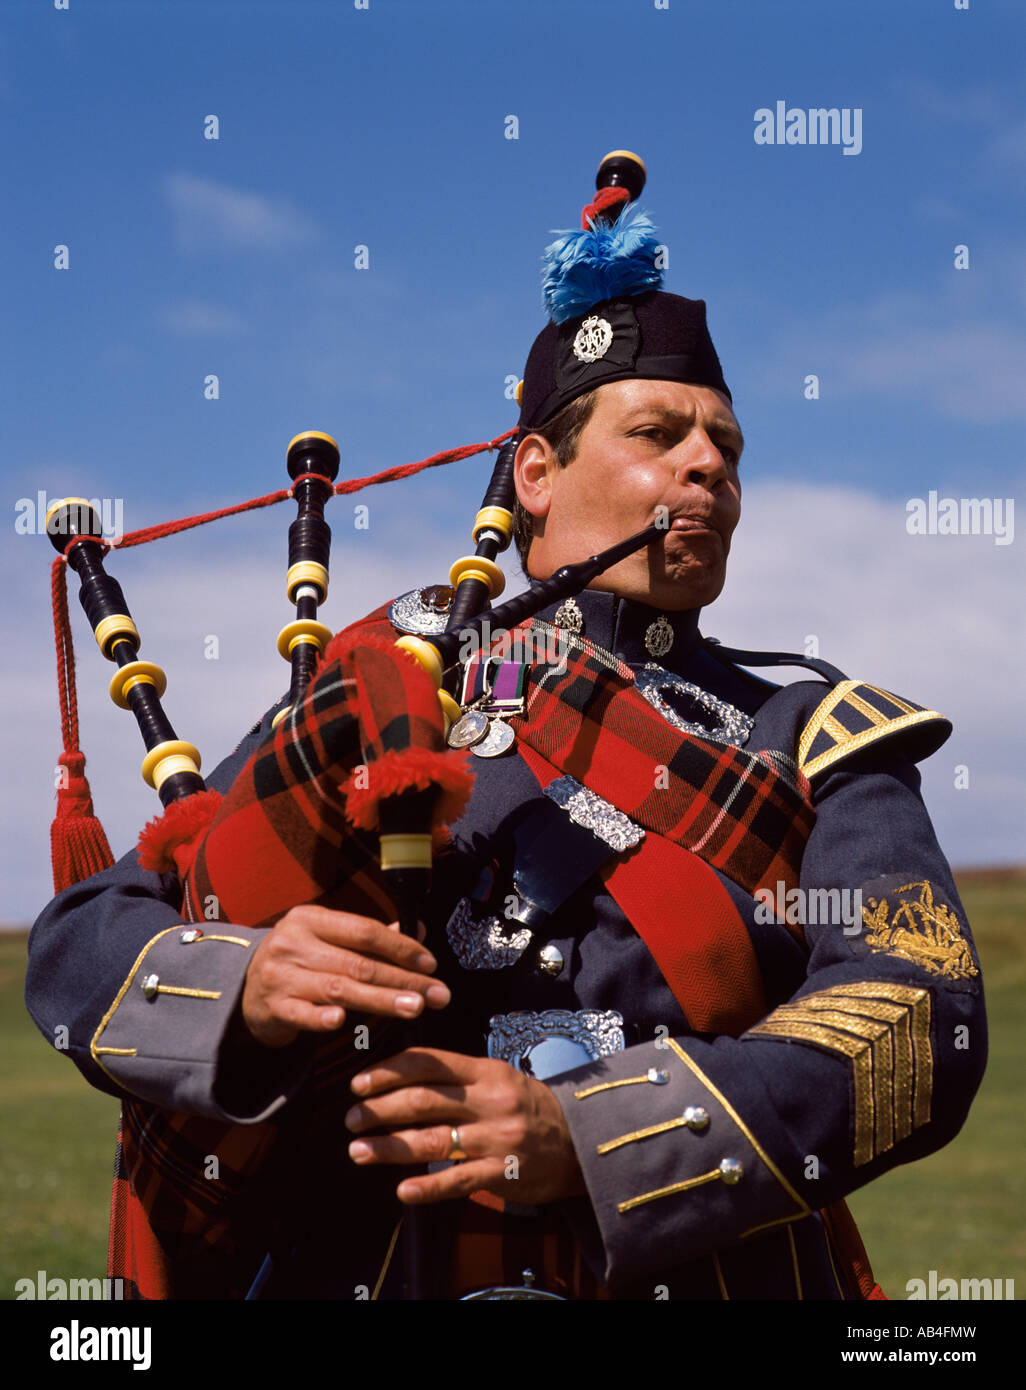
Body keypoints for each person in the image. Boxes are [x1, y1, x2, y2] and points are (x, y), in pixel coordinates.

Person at [26, 155, 986, 1301]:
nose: (709, 467)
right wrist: (247, 976)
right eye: (661, 433)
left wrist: (591, 1133)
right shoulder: (387, 680)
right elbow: (82, 938)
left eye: (727, 447)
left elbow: (924, 1021)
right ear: (536, 472)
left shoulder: (813, 729)